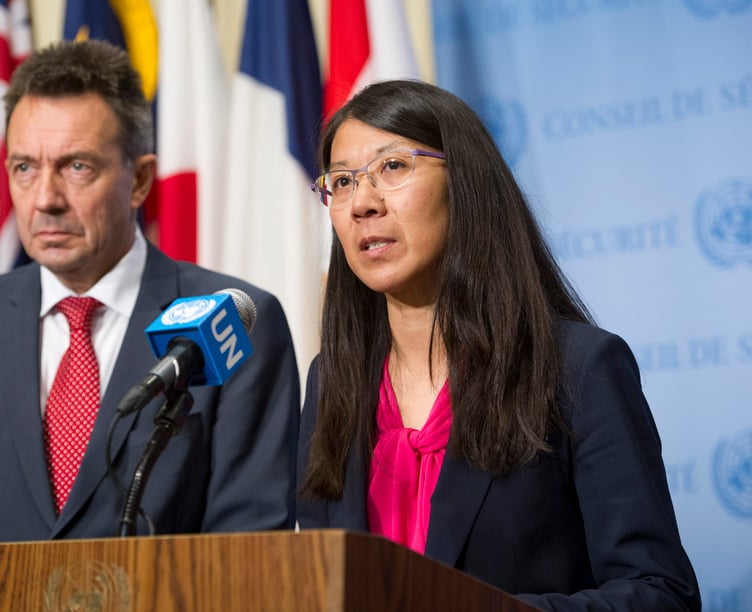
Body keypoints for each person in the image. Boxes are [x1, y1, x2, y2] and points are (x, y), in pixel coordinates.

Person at [296, 79, 700, 611]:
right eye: (342, 181)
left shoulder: (578, 369)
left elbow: (661, 595)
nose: (362, 203)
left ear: (465, 182)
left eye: (392, 167)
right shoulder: (331, 381)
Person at [0, 40, 300, 545]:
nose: (45, 200)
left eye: (76, 166)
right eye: (25, 168)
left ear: (139, 179)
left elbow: (247, 552)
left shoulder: (233, 321)